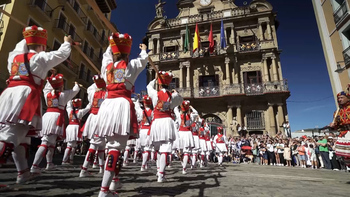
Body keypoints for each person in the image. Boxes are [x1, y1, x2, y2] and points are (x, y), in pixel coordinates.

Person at [0, 25, 72, 183]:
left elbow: (21, 47)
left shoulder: (14, 56)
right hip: (24, 96)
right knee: (10, 136)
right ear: (42, 45)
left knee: (21, 140)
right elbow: (62, 54)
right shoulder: (41, 58)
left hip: (8, 95)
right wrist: (67, 42)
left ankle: (23, 173)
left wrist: (28, 38)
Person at [96, 32, 148, 197]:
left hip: (107, 106)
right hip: (121, 106)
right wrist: (144, 50)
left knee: (111, 147)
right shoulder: (131, 66)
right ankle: (104, 191)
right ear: (127, 52)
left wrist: (112, 43)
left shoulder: (107, 66)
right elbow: (143, 61)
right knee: (116, 150)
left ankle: (113, 181)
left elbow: (106, 55)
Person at [30, 72, 80, 174]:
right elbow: (76, 90)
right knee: (46, 142)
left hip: (47, 116)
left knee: (51, 143)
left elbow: (47, 87)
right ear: (61, 86)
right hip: (55, 118)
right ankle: (34, 165)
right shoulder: (64, 95)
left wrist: (52, 78)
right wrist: (76, 84)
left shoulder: (47, 93)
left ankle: (49, 163)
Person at [147, 71, 183, 182]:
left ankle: (159, 171)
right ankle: (161, 175)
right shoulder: (172, 96)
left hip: (157, 122)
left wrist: (155, 79)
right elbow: (179, 100)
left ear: (159, 84)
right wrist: (175, 93)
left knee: (158, 149)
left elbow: (148, 86)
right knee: (164, 149)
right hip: (167, 122)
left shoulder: (154, 94)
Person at [79, 75, 107, 177]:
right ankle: (84, 169)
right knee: (94, 144)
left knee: (101, 145)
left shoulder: (92, 92)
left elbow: (90, 88)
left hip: (93, 118)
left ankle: (101, 168)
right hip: (101, 119)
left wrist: (97, 80)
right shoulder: (107, 94)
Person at [62, 99, 91, 165]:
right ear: (80, 105)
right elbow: (88, 108)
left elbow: (68, 105)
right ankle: (66, 160)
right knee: (72, 145)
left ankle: (68, 159)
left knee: (70, 145)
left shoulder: (70, 111)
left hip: (69, 127)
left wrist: (70, 99)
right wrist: (91, 101)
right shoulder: (80, 112)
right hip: (75, 128)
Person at [174, 100, 196, 174]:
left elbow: (175, 109)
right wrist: (191, 107)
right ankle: (184, 168)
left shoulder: (179, 116)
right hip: (187, 133)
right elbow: (196, 113)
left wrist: (179, 104)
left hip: (180, 133)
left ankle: (183, 165)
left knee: (181, 151)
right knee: (186, 152)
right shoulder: (191, 116)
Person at [330, 89, 350, 168]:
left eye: (342, 97)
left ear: (348, 98)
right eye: (339, 98)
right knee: (347, 157)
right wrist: (333, 125)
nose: (339, 99)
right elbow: (336, 126)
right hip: (344, 134)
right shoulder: (337, 112)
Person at [135, 95, 153, 171]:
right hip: (149, 131)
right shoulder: (153, 112)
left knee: (143, 149)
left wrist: (138, 99)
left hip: (142, 131)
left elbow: (136, 106)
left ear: (144, 104)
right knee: (147, 149)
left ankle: (145, 164)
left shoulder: (141, 112)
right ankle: (144, 165)